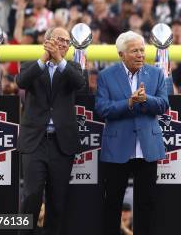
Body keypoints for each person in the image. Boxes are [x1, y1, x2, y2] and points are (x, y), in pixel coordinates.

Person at [95, 31, 169, 235]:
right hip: (118, 148)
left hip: (147, 148)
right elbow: (102, 109)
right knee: (112, 203)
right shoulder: (106, 76)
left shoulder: (156, 74)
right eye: (134, 50)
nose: (140, 54)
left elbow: (164, 104)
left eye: (142, 50)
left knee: (147, 203)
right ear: (121, 54)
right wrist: (128, 102)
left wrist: (146, 100)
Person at [16, 26, 86, 235]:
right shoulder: (30, 65)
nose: (64, 44)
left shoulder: (72, 67)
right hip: (35, 142)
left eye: (67, 41)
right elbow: (21, 82)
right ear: (47, 41)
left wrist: (59, 60)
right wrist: (44, 58)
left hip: (61, 143)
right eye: (60, 40)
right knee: (31, 195)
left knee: (57, 199)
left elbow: (80, 84)